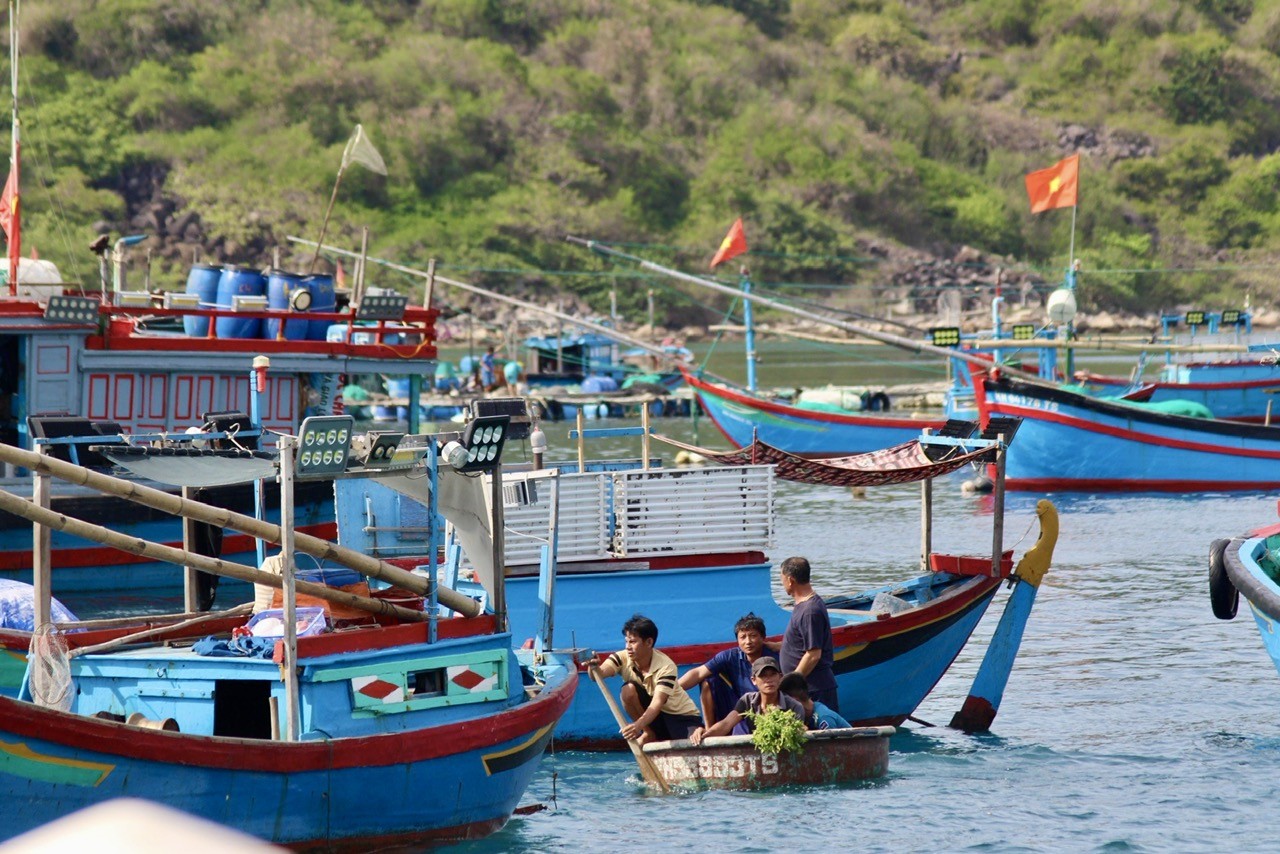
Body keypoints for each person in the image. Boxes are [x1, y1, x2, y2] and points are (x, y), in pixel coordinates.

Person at [589, 614, 703, 745]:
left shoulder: (666, 666)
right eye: (626, 641)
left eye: (632, 642)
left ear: (649, 642)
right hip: (653, 718)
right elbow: (597, 676)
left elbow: (657, 704)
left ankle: (699, 729)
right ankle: (648, 733)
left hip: (680, 716)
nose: (627, 647)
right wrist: (593, 666)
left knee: (695, 742)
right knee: (628, 689)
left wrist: (636, 726)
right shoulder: (622, 657)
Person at [677, 613, 768, 726]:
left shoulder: (775, 656)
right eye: (743, 637)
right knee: (709, 678)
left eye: (753, 636)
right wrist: (668, 691)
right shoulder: (730, 656)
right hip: (740, 708)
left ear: (763, 637)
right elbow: (698, 673)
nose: (748, 641)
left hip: (769, 705)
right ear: (737, 640)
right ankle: (709, 730)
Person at [689, 657, 805, 745]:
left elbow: (795, 737)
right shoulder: (748, 700)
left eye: (772, 675)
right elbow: (726, 724)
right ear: (754, 680)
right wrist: (703, 734)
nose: (768, 680)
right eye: (763, 676)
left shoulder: (794, 707)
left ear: (780, 677)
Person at [779, 556, 840, 713]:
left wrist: (791, 683)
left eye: (782, 579)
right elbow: (803, 641)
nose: (782, 583)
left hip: (813, 690)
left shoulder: (809, 611)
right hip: (805, 689)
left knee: (820, 734)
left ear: (790, 580)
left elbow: (813, 654)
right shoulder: (803, 605)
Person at [779, 671, 851, 730]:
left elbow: (832, 746)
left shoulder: (823, 718)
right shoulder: (812, 711)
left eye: (787, 704)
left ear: (794, 701)